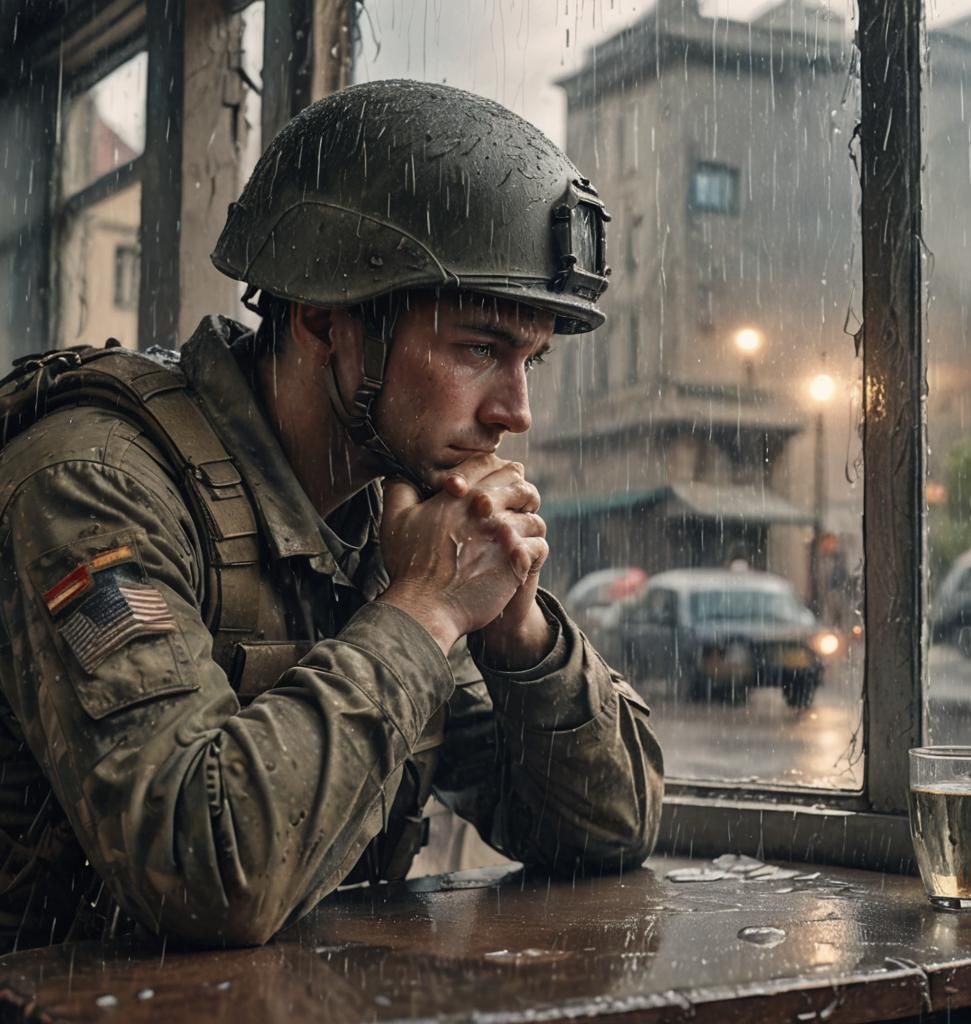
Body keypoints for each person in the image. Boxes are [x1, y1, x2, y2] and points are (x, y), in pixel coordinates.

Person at [0, 79, 664, 951]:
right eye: (478, 348)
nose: (516, 410)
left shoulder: (388, 517)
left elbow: (607, 831)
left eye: (531, 359)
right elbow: (207, 875)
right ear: (323, 323)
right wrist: (424, 611)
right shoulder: (93, 484)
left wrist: (518, 634)